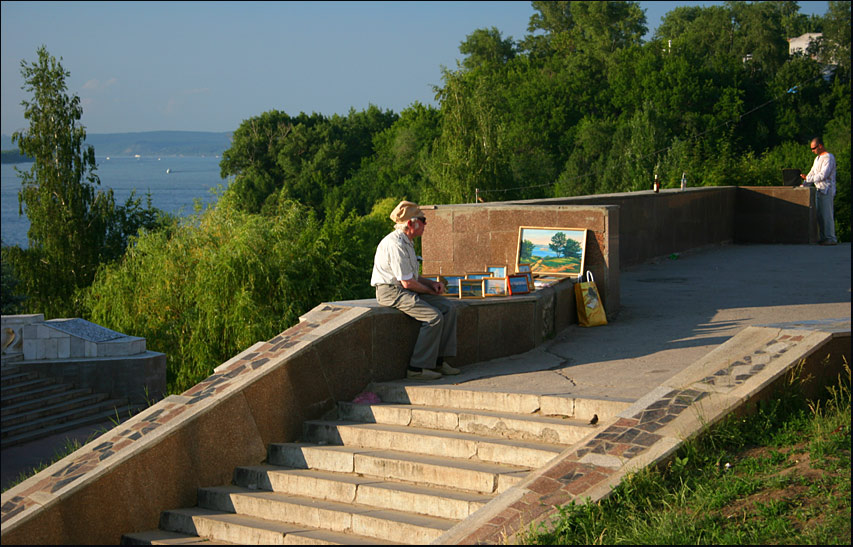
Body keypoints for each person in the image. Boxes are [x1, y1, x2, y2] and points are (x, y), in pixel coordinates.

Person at [371, 200, 460, 380]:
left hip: (403, 288)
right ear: (411, 223)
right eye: (423, 219)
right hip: (391, 291)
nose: (426, 224)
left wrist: (431, 284)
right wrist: (429, 290)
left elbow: (411, 276)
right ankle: (416, 368)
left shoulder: (407, 242)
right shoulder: (395, 244)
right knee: (433, 317)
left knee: (449, 308)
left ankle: (438, 363)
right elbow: (407, 283)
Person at [800, 137, 837, 245]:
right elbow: (812, 173)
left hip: (827, 189)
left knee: (827, 214)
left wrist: (808, 179)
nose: (813, 151)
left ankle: (830, 238)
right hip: (818, 190)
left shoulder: (828, 158)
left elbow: (823, 175)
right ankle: (823, 237)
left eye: (814, 148)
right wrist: (803, 184)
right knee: (820, 215)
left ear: (820, 146)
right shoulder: (817, 159)